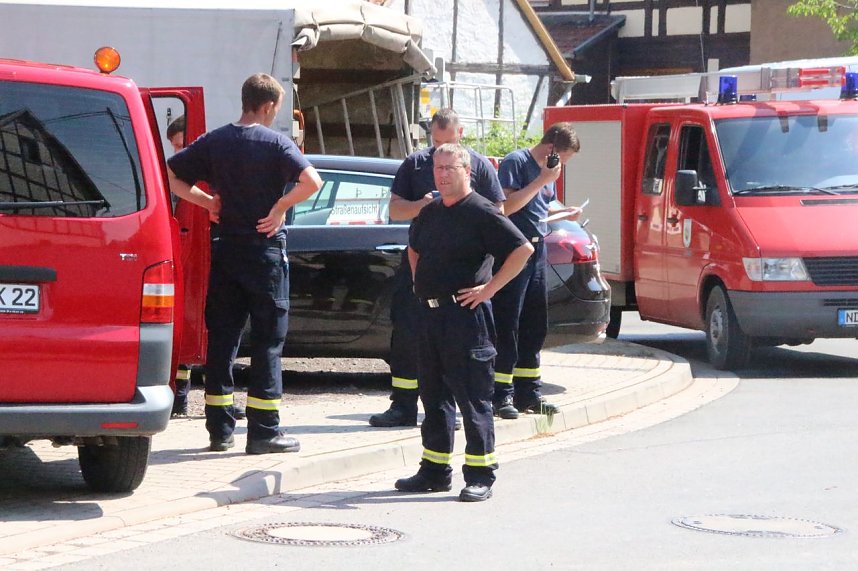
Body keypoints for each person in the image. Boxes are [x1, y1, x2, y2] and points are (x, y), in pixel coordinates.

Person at [167, 73, 322, 454]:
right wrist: (280, 208)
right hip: (264, 254)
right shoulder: (276, 143)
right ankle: (264, 432)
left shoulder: (215, 141)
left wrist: (207, 203)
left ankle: (219, 431)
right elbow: (312, 181)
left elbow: (170, 173)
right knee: (268, 342)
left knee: (222, 340)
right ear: (268, 105)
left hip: (226, 252)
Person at [394, 143, 533, 501]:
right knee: (433, 396)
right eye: (438, 168)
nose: (441, 175)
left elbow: (522, 251)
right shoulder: (431, 211)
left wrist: (489, 289)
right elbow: (414, 248)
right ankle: (435, 470)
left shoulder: (482, 211)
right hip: (430, 316)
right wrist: (417, 283)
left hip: (465, 318)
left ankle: (481, 474)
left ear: (467, 171)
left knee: (473, 398)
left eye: (449, 168)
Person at [369, 108, 505, 428]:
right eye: (435, 141)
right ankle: (402, 405)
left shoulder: (479, 166)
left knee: (456, 344)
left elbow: (498, 213)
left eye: (447, 140)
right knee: (407, 335)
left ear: (461, 134)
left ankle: (450, 409)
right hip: (421, 264)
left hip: (463, 271)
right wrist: (422, 205)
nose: (440, 149)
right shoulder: (416, 164)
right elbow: (395, 209)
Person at [491, 122, 582, 420]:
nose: (563, 165)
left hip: (538, 249)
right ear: (553, 148)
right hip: (514, 250)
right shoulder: (516, 162)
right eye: (564, 157)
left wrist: (564, 212)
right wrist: (541, 179)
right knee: (509, 323)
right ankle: (500, 394)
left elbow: (538, 208)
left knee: (534, 323)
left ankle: (528, 393)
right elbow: (506, 207)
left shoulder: (548, 172)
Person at [166, 115, 247, 421]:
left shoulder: (216, 171)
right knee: (187, 328)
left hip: (214, 260)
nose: (177, 152)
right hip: (190, 262)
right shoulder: (180, 175)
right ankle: (180, 399)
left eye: (181, 144)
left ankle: (219, 401)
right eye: (174, 146)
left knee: (215, 333)